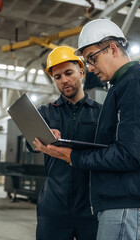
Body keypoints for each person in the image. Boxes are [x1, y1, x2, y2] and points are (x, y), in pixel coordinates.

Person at [33, 19, 140, 240]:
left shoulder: (135, 85)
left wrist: (73, 156)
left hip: (127, 204)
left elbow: (129, 154)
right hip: (70, 205)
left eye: (92, 59)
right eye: (57, 77)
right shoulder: (122, 87)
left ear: (112, 48)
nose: (91, 67)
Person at [31, 46, 101, 240]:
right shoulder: (45, 113)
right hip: (54, 206)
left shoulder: (101, 113)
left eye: (68, 73)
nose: (64, 80)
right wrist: (44, 136)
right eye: (58, 77)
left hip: (91, 206)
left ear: (81, 71)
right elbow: (31, 143)